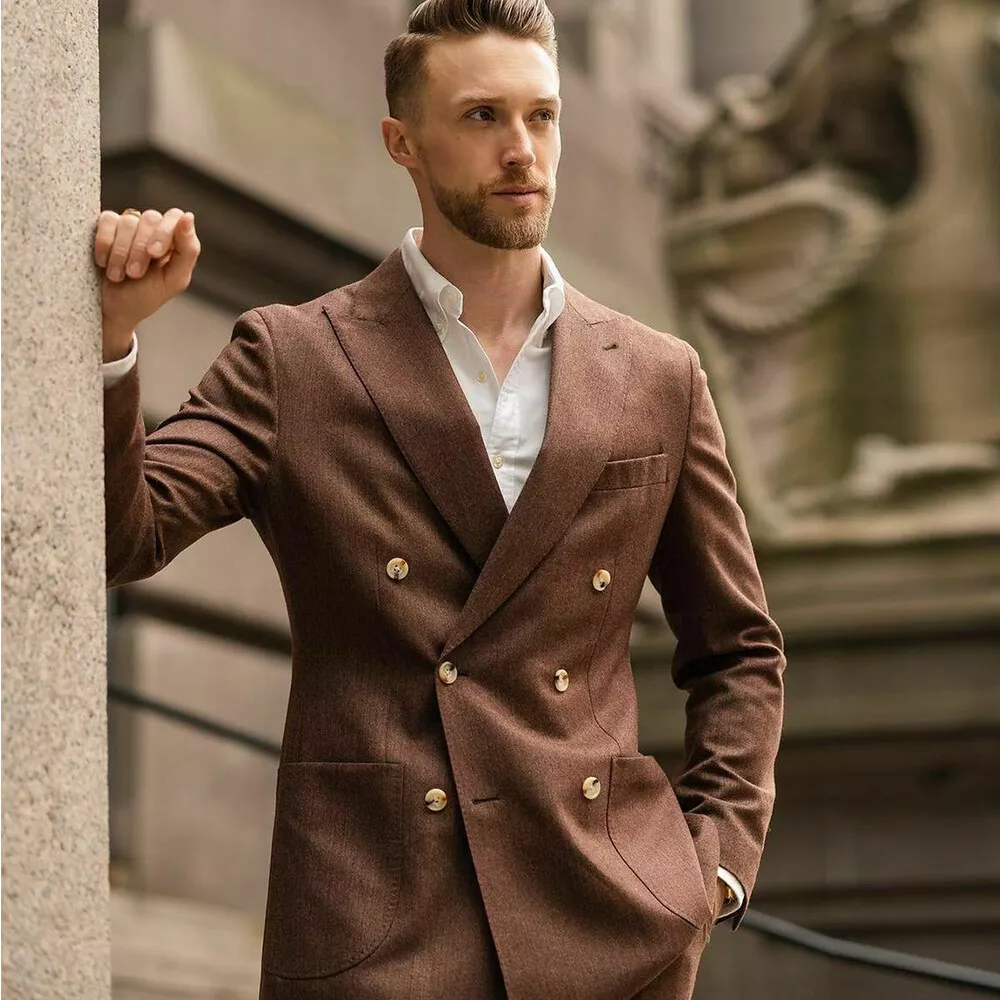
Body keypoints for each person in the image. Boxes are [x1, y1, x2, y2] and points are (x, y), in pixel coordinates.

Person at [96, 1, 785, 997]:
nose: (521, 149)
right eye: (480, 118)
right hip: (376, 922)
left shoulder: (657, 376)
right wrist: (116, 342)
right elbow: (126, 535)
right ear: (401, 143)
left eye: (541, 116)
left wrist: (710, 861)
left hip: (605, 922)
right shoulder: (293, 359)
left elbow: (738, 649)